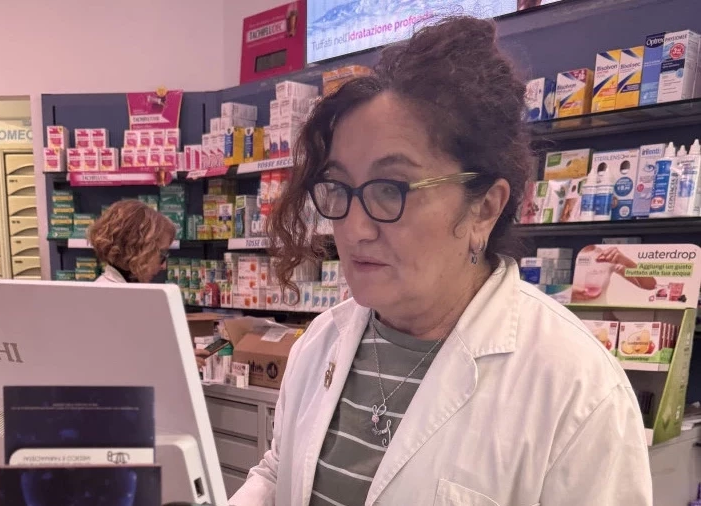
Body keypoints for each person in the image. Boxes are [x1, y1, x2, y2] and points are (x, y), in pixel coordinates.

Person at [229, 16, 651, 506]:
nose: (356, 228)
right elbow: (280, 470)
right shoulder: (321, 343)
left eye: (391, 190)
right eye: (340, 188)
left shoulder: (578, 389)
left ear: (485, 208)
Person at [87, 199, 211, 368]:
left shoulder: (123, 292)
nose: (163, 265)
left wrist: (177, 359)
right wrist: (174, 364)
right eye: (162, 254)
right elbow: (119, 367)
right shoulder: (111, 298)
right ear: (138, 248)